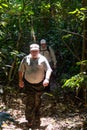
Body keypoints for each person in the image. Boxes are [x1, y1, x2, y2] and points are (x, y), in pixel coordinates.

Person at [18, 43, 52, 128]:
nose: (34, 53)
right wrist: (20, 81)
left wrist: (47, 79)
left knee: (37, 101)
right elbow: (20, 70)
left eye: (36, 51)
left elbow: (48, 69)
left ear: (38, 51)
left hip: (40, 84)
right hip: (28, 84)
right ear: (30, 51)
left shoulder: (43, 59)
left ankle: (36, 117)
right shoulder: (26, 59)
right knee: (30, 101)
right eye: (32, 51)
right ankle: (29, 120)